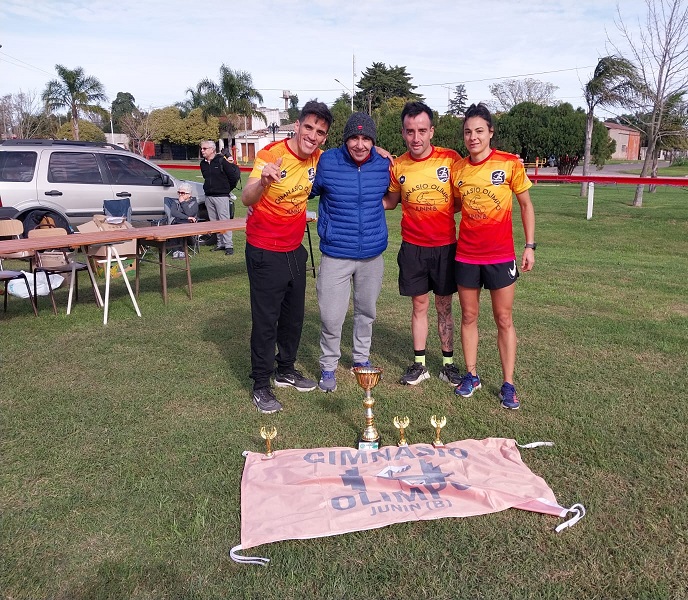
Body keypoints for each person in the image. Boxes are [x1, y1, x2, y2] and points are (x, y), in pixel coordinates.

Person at [241, 100, 333, 414]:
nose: (313, 136)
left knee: (293, 317)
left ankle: (286, 370)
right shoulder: (271, 154)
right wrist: (264, 181)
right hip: (264, 250)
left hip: (294, 249)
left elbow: (352, 156)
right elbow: (246, 197)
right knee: (266, 320)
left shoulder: (319, 158)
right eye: (309, 127)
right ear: (297, 125)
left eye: (320, 132)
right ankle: (261, 384)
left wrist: (382, 152)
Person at [450, 103, 536, 409]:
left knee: (504, 318)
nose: (473, 137)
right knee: (469, 316)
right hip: (466, 255)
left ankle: (508, 384)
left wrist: (530, 245)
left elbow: (526, 205)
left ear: (490, 132)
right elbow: (456, 205)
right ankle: (471, 375)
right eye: (467, 132)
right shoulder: (458, 169)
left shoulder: (510, 164)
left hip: (500, 256)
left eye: (479, 131)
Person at [383, 102, 462, 387]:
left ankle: (448, 365)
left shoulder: (450, 159)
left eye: (421, 131)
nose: (416, 138)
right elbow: (391, 201)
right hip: (413, 248)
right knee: (419, 305)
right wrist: (361, 201)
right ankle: (419, 364)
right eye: (410, 131)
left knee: (444, 306)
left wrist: (436, 211)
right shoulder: (399, 165)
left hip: (444, 247)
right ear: (403, 133)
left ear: (431, 131)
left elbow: (460, 200)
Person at [310, 113, 390, 392]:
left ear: (373, 141)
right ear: (345, 140)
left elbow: (394, 195)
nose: (359, 144)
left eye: (366, 138)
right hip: (336, 253)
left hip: (371, 254)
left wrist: (383, 153)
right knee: (331, 316)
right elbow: (304, 189)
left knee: (366, 311)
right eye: (354, 138)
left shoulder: (383, 164)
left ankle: (360, 358)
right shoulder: (327, 161)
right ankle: (328, 365)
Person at [199, 140, 241, 255]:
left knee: (224, 221)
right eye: (201, 148)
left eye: (204, 148)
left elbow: (233, 177)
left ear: (212, 149)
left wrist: (226, 189)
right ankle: (220, 244)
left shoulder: (221, 161)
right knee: (214, 222)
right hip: (209, 196)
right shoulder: (203, 164)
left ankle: (229, 246)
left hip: (221, 196)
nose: (202, 150)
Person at [169, 182, 198, 259]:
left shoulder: (194, 203)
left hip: (189, 225)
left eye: (182, 193)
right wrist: (187, 217)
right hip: (177, 222)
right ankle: (175, 250)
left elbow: (190, 213)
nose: (180, 195)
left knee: (181, 229)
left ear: (189, 194)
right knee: (173, 228)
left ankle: (181, 251)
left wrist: (183, 203)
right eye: (179, 192)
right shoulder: (175, 202)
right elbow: (174, 212)